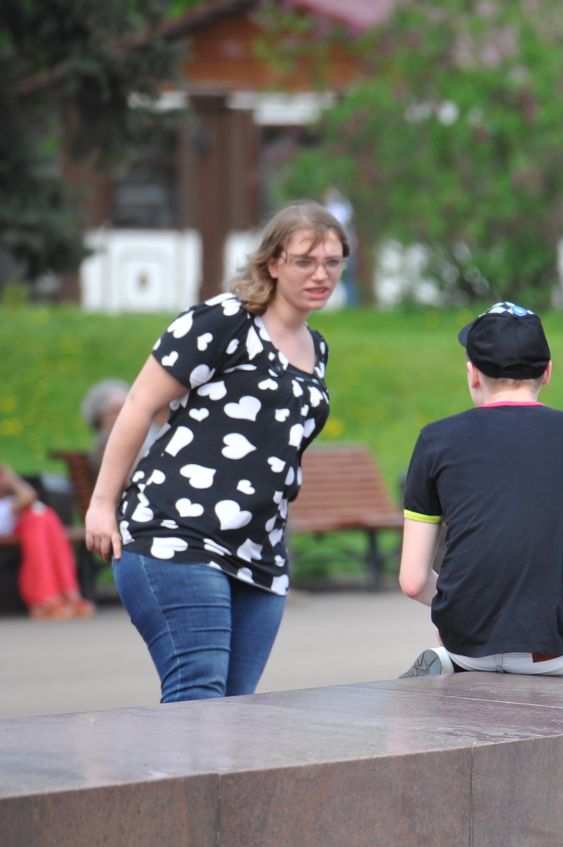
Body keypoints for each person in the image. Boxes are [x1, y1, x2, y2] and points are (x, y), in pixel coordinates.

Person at [84, 200, 348, 702]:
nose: (321, 274)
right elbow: (138, 404)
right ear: (272, 263)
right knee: (198, 700)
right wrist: (101, 503)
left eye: (332, 262)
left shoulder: (317, 349)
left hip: (259, 556)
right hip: (178, 536)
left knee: (232, 713)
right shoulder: (223, 320)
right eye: (305, 261)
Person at [396, 304, 563, 679]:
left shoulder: (434, 441)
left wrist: (469, 603)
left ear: (472, 372)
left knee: (466, 633)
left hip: (465, 643)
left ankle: (451, 662)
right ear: (548, 372)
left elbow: (414, 581)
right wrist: (554, 594)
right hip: (557, 650)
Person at [0, 462, 92, 619]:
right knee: (37, 520)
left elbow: (28, 497)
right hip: (14, 525)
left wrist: (11, 480)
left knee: (45, 517)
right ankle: (46, 597)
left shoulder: (9, 501)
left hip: (27, 523)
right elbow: (28, 496)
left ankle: (64, 593)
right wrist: (13, 480)